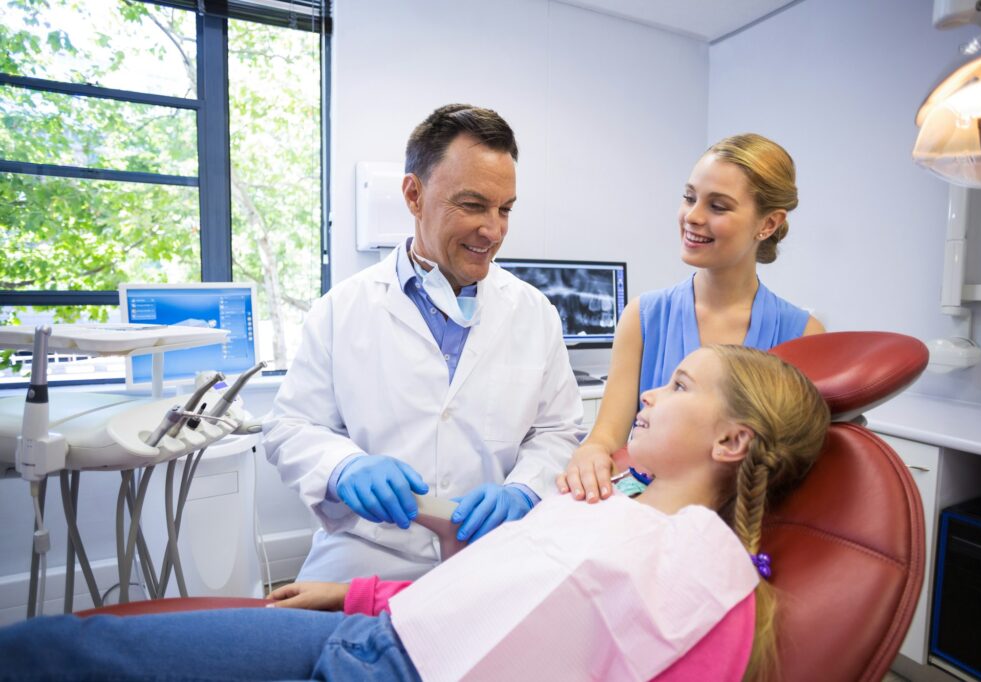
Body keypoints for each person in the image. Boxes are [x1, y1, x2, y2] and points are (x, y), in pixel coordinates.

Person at [0, 346, 830, 682]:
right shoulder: (610, 493)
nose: (647, 392)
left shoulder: (706, 569)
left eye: (678, 386)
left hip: (401, 670)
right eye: (474, 205)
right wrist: (352, 593)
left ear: (731, 440)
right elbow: (491, 596)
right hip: (373, 631)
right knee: (70, 647)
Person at [262, 104, 584, 583]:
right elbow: (291, 426)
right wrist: (343, 467)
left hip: (490, 554)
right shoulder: (341, 309)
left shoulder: (533, 312)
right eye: (473, 205)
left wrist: (524, 490)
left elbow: (558, 432)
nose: (493, 230)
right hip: (365, 553)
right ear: (414, 194)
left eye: (505, 209)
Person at [559, 133, 825, 503]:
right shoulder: (644, 317)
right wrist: (590, 453)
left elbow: (795, 469)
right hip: (649, 520)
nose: (693, 217)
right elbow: (608, 434)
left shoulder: (803, 334)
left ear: (767, 224)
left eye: (718, 206)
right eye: (689, 198)